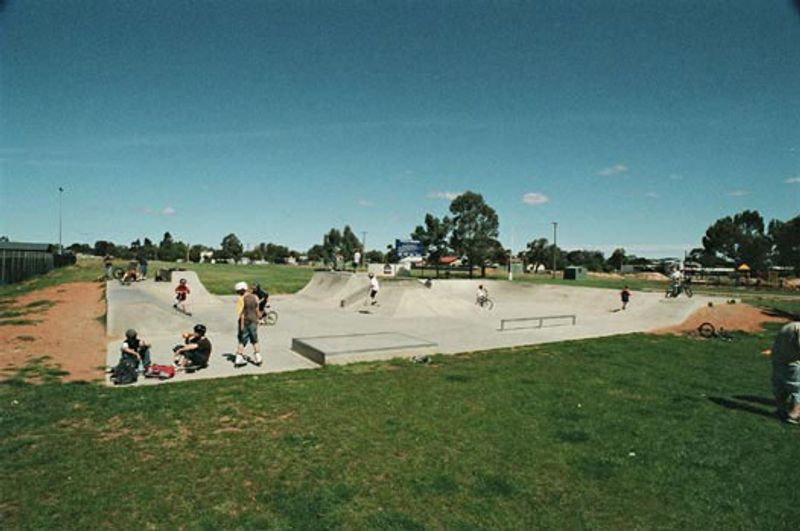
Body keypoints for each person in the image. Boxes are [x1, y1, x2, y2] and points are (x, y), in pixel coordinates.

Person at [769, 321, 800, 424]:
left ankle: (780, 410)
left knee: (781, 387)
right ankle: (794, 414)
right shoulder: (798, 329)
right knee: (797, 389)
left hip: (778, 360)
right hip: (792, 363)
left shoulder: (788, 326)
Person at [234, 281, 262, 367]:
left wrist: (241, 325)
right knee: (255, 340)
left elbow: (241, 314)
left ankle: (238, 358)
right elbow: (257, 310)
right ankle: (258, 358)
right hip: (253, 321)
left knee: (242, 341)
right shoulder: (254, 297)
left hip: (245, 322)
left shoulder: (242, 299)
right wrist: (258, 319)